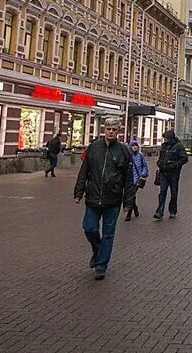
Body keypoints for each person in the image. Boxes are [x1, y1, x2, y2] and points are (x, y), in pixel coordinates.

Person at [73, 118, 133, 280]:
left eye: (114, 129)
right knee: (89, 228)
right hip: (93, 197)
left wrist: (128, 202)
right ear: (104, 130)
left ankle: (101, 265)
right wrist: (78, 192)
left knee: (108, 234)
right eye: (108, 129)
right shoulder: (94, 147)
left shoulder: (123, 151)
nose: (110, 131)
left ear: (118, 131)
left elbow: (128, 179)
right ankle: (97, 250)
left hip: (112, 199)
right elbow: (84, 170)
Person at [154, 130, 188, 220]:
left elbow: (184, 158)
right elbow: (160, 157)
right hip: (163, 172)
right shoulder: (163, 147)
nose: (164, 140)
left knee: (173, 192)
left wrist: (175, 165)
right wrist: (159, 163)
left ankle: (172, 211)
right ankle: (159, 212)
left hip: (174, 174)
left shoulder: (178, 146)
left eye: (165, 138)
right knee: (162, 192)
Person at [124, 141, 150, 221]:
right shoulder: (128, 156)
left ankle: (129, 214)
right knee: (131, 196)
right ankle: (135, 208)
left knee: (132, 195)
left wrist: (143, 173)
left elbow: (145, 166)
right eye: (133, 146)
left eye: (136, 146)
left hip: (137, 179)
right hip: (128, 179)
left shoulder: (140, 155)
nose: (134, 147)